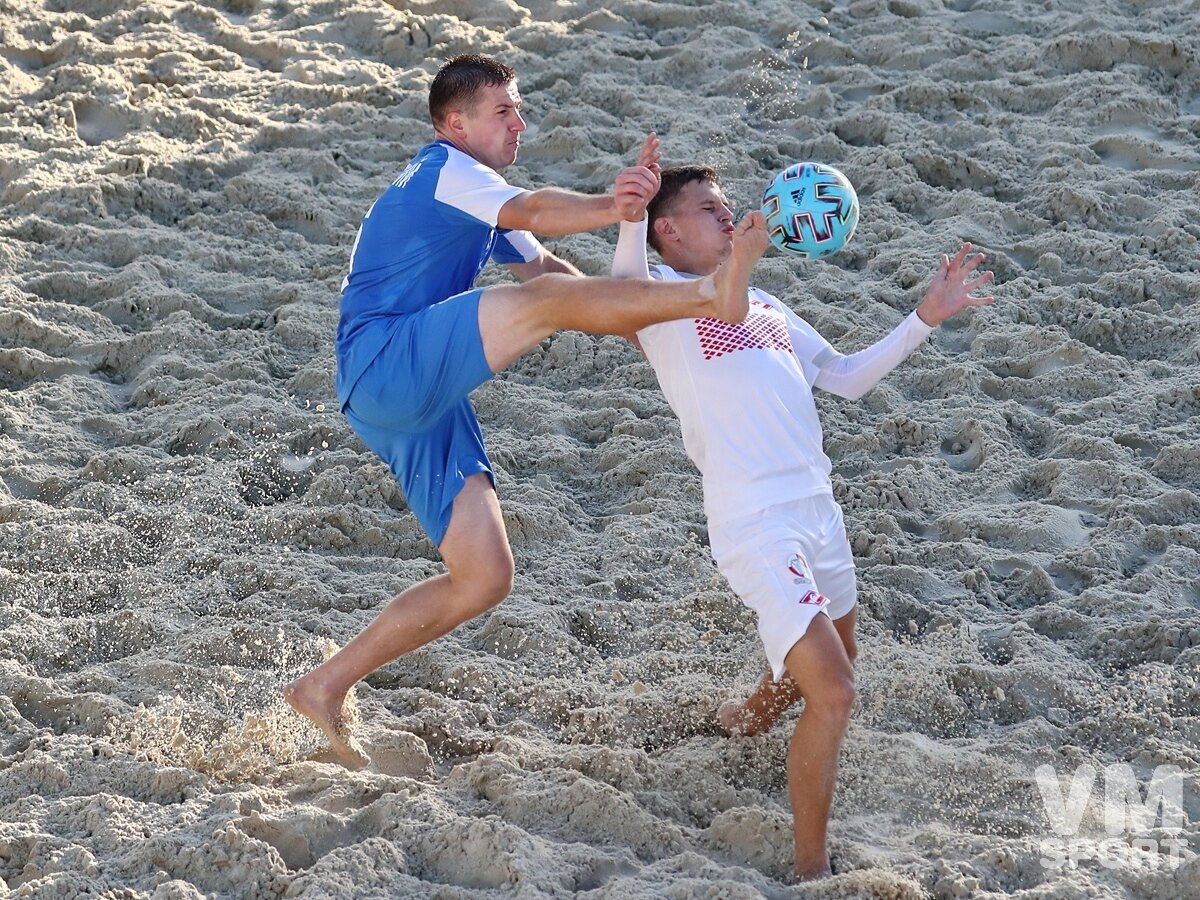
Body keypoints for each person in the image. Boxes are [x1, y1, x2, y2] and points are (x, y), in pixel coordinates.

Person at [283, 56, 768, 769]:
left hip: (409, 399)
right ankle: (714, 294)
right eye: (503, 111)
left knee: (484, 576)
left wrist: (643, 327)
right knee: (543, 312)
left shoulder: (480, 199)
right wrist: (618, 209)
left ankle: (323, 686)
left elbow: (548, 271)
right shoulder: (444, 170)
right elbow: (539, 212)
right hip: (387, 361)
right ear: (455, 125)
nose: (520, 123)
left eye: (519, 108)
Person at [610, 164, 994, 880]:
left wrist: (925, 318)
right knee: (835, 691)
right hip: (756, 522)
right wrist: (631, 213)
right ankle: (812, 872)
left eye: (730, 209)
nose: (730, 219)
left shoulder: (768, 303)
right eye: (710, 210)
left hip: (821, 512)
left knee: (823, 669)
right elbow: (626, 274)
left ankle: (743, 722)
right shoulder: (658, 299)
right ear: (668, 230)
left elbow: (845, 377)